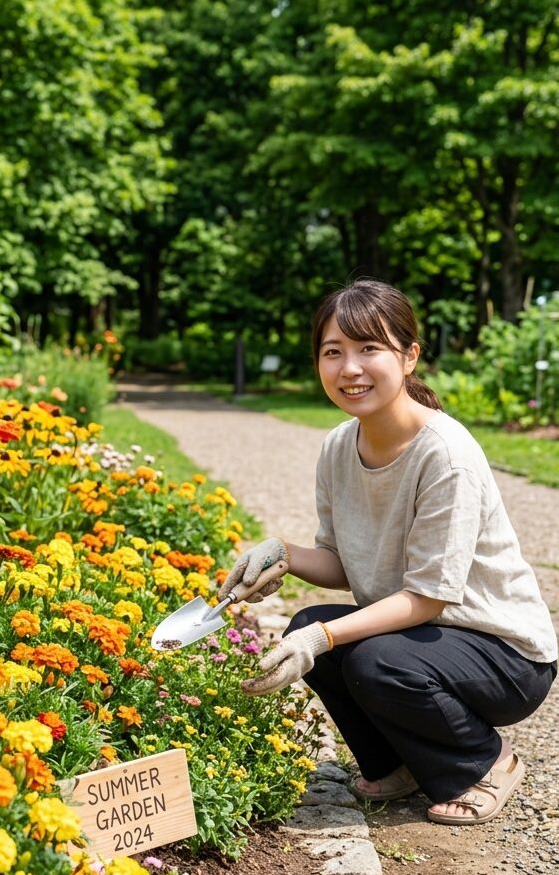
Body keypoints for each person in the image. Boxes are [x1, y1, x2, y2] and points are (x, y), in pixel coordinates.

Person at [222, 280, 557, 825]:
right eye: (333, 352)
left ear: (408, 356)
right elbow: (341, 561)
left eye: (368, 348)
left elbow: (426, 599)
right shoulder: (338, 446)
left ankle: (485, 761)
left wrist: (323, 637)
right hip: (427, 639)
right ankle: (400, 763)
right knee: (310, 623)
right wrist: (282, 554)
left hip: (505, 654)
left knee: (368, 657)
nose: (350, 368)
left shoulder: (445, 455)